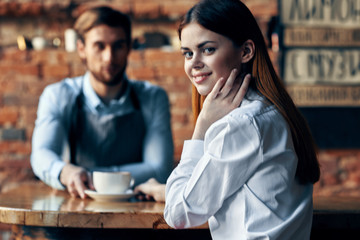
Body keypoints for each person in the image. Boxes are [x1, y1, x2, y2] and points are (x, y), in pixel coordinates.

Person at [163, 0, 321, 239]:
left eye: (207, 49)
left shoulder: (240, 124)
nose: (193, 63)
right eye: (187, 53)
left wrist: (201, 130)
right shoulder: (267, 109)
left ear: (246, 51)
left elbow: (177, 213)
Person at [31, 6, 174, 199]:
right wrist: (66, 172)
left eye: (118, 46)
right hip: (79, 206)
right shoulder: (58, 95)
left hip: (137, 211)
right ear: (81, 49)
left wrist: (89, 176)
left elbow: (159, 168)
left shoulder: (153, 97)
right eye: (99, 46)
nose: (109, 57)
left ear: (129, 48)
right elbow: (41, 154)